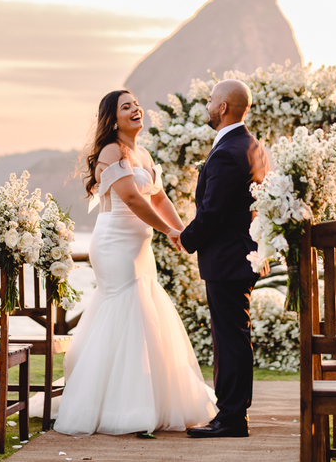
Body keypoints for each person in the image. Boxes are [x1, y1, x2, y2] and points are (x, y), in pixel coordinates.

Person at [53, 90, 217, 436]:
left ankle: (149, 403)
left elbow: (158, 197)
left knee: (146, 314)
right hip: (115, 244)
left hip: (142, 248)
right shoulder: (112, 150)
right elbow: (129, 196)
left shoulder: (142, 152)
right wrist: (169, 230)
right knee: (128, 312)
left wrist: (183, 234)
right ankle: (123, 408)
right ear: (112, 118)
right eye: (125, 106)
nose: (135, 109)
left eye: (136, 104)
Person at [178, 79, 269, 439]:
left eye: (211, 100)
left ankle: (231, 418)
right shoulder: (250, 146)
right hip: (240, 257)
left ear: (225, 108)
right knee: (233, 336)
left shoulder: (229, 151)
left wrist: (185, 239)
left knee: (229, 339)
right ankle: (231, 414)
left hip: (228, 259)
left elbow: (212, 211)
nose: (206, 104)